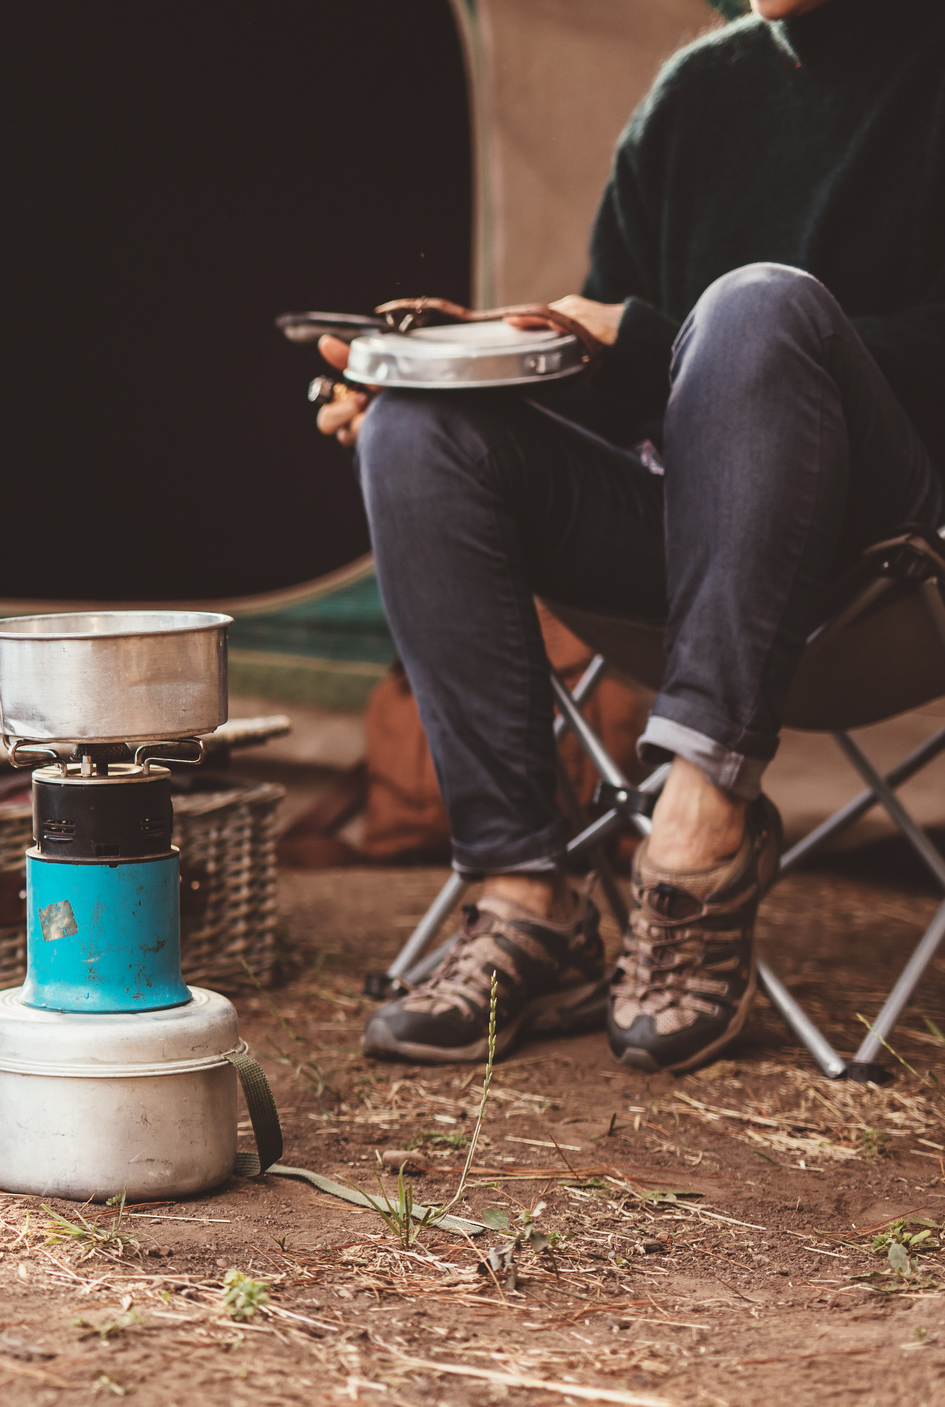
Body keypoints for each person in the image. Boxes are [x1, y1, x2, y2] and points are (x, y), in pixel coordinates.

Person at [318, 0, 945, 1073]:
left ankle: (698, 841)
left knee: (756, 308)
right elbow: (627, 396)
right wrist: (460, 364)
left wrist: (654, 336)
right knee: (420, 428)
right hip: (687, 555)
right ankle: (527, 905)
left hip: (883, 564)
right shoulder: (693, 98)